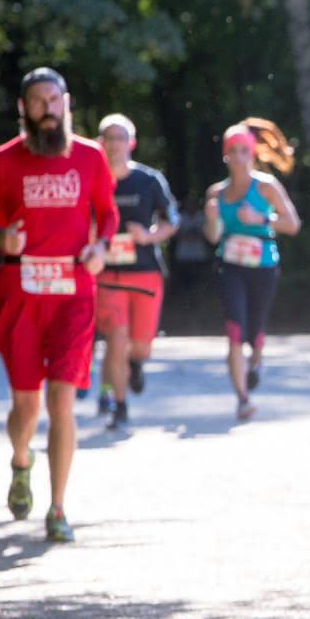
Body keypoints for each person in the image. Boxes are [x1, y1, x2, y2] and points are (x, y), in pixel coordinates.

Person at [0, 67, 119, 542]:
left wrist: (100, 247)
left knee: (62, 398)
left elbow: (108, 213)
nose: (49, 110)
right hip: (22, 292)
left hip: (74, 293)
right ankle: (21, 459)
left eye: (55, 100)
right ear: (23, 108)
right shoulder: (4, 161)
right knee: (27, 405)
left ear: (66, 103)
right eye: (38, 101)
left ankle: (58, 508)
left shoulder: (91, 158)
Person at [201, 118, 300, 422]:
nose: (239, 157)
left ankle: (256, 361)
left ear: (252, 153)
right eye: (234, 151)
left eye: (245, 150)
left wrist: (261, 219)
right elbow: (213, 237)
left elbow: (293, 225)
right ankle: (242, 398)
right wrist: (212, 219)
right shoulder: (216, 193)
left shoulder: (267, 187)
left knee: (255, 329)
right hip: (229, 266)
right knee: (234, 330)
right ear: (226, 155)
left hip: (263, 266)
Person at [94, 113, 181, 429]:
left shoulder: (149, 180)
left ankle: (136, 362)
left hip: (145, 273)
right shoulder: (92, 179)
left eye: (121, 138)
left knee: (141, 343)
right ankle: (120, 405)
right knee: (115, 340)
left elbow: (173, 220)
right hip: (107, 275)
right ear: (100, 143)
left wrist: (149, 236)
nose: (115, 145)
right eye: (109, 138)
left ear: (131, 143)